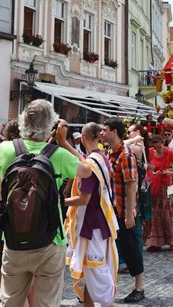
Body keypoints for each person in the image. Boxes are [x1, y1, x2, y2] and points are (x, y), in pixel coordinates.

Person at [0, 100, 89, 307]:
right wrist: (63, 142)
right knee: (47, 302)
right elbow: (87, 169)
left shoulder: (5, 149)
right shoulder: (59, 155)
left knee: (10, 301)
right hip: (50, 238)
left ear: (22, 122)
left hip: (13, 237)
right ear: (51, 126)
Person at [64, 122, 118, 307]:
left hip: (92, 226)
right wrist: (64, 143)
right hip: (100, 223)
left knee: (97, 273)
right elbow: (82, 158)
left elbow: (83, 199)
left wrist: (59, 203)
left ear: (84, 138)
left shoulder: (91, 164)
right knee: (89, 274)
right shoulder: (99, 157)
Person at [101, 117, 145, 303]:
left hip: (121, 211)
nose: (102, 133)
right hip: (111, 210)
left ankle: (139, 287)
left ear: (114, 132)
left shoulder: (125, 156)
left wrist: (129, 214)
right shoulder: (112, 152)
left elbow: (131, 186)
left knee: (130, 248)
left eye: (105, 130)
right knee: (111, 249)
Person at [144, 133, 173, 250]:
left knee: (166, 213)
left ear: (163, 144)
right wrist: (151, 168)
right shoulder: (149, 151)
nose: (158, 149)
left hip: (164, 185)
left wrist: (166, 171)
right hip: (153, 184)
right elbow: (146, 165)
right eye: (156, 147)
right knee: (154, 214)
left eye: (159, 147)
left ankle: (171, 240)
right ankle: (155, 242)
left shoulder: (169, 152)